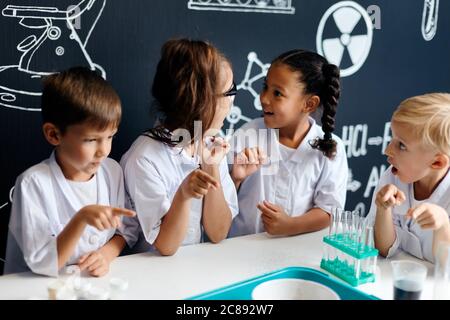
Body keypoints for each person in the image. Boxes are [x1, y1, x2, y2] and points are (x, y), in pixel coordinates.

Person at [4, 67, 135, 277]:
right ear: (54, 134)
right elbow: (42, 263)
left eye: (110, 137)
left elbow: (125, 230)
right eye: (91, 140)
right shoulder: (33, 183)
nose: (103, 150)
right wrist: (80, 219)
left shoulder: (112, 171)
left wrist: (106, 254)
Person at [120, 39, 238, 255]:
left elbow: (219, 232)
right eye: (229, 93)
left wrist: (211, 166)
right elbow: (166, 246)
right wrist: (184, 194)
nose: (232, 103)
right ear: (200, 101)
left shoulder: (209, 144)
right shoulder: (144, 158)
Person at [229, 49, 348, 237]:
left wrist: (291, 225)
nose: (264, 98)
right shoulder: (247, 135)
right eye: (265, 87)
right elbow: (222, 198)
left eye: (277, 93)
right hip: (241, 250)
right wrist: (235, 179)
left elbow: (328, 210)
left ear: (309, 104)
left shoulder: (331, 149)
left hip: (294, 253)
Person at [368, 93, 450, 262]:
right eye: (392, 139)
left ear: (437, 162)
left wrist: (442, 225)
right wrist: (383, 210)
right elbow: (383, 249)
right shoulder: (392, 176)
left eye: (402, 146)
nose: (387, 151)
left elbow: (446, 268)